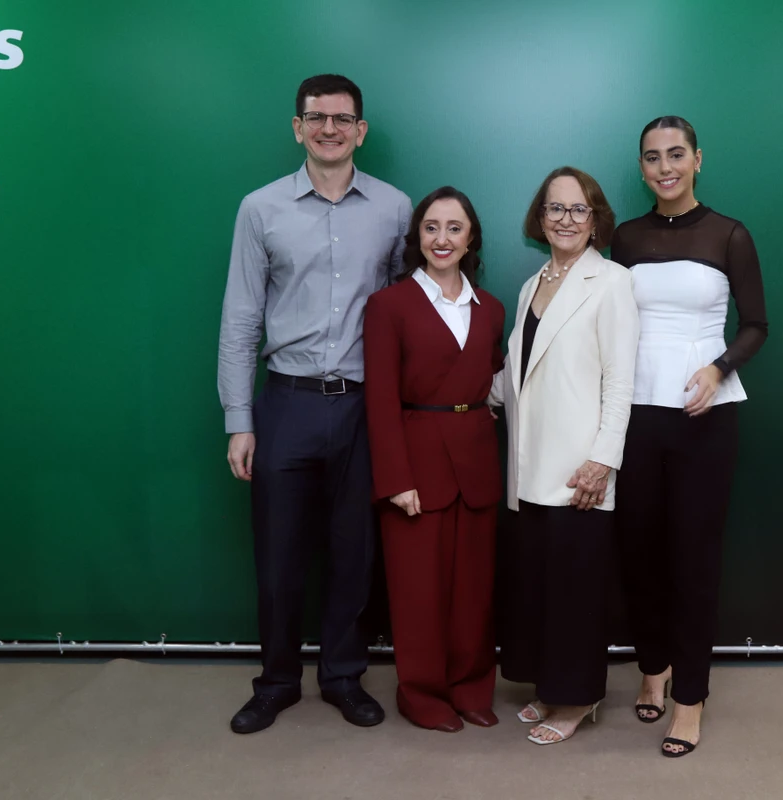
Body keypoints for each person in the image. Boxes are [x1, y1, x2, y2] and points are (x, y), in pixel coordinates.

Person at [218, 74, 413, 734]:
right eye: (316, 117)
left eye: (343, 118)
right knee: (278, 557)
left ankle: (341, 676)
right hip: (287, 405)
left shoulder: (395, 209)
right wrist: (239, 419)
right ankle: (275, 682)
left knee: (354, 553)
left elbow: (403, 315)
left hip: (363, 407)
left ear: (361, 130)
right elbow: (241, 318)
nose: (329, 128)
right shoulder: (260, 209)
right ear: (297, 127)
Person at [610, 116, 768, 757]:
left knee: (694, 561)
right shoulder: (625, 237)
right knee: (639, 553)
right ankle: (653, 667)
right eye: (652, 158)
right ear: (642, 167)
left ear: (698, 159)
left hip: (706, 418)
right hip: (635, 415)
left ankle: (691, 699)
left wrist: (718, 366)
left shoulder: (730, 233)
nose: (665, 167)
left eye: (677, 155)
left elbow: (756, 325)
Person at [491, 166, 640, 746]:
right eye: (555, 209)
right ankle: (549, 688)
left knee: (577, 591)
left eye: (579, 210)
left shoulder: (613, 282)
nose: (566, 219)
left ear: (597, 218)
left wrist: (604, 460)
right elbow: (516, 373)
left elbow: (619, 382)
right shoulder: (532, 285)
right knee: (539, 587)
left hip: (580, 467)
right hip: (528, 465)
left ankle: (578, 700)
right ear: (540, 218)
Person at [362, 187, 506, 733]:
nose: (441, 238)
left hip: (475, 460)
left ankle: (470, 688)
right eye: (431, 227)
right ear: (416, 237)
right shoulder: (388, 306)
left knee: (474, 591)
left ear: (471, 238)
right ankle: (421, 695)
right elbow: (378, 400)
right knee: (418, 590)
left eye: (454, 227)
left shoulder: (489, 309)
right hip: (415, 462)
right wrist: (395, 477)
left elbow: (492, 377)